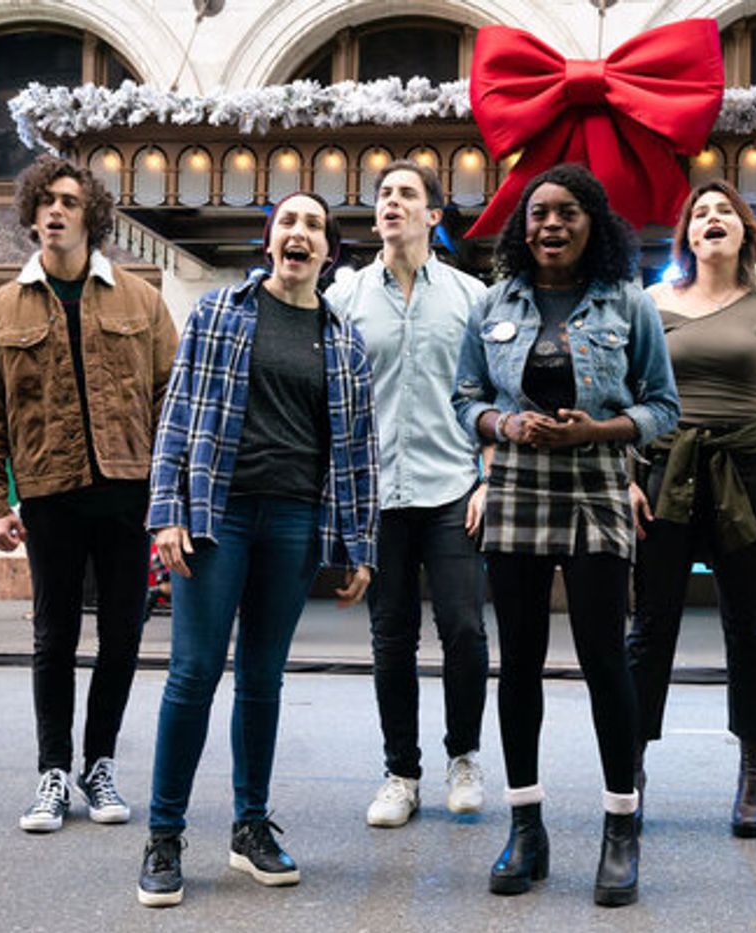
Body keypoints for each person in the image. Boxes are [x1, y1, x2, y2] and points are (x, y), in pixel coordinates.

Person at [137, 191, 378, 908]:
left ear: (328, 252)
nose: (299, 233)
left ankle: (250, 827)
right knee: (195, 671)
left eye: (313, 225)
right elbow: (175, 416)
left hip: (295, 522)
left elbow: (359, 450)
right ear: (269, 241)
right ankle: (165, 833)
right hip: (220, 515)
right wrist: (166, 514)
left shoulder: (344, 342)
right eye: (288, 222)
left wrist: (359, 545)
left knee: (264, 678)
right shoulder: (219, 314)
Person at [452, 163, 678, 907]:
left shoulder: (630, 303)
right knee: (517, 661)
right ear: (524, 228)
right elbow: (466, 397)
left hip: (597, 481)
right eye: (538, 213)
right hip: (517, 480)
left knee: (603, 660)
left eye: (567, 213)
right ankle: (526, 827)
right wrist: (502, 422)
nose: (550, 225)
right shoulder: (493, 303)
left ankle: (621, 825)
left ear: (594, 224)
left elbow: (661, 407)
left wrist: (602, 429)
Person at [0, 155, 178, 834]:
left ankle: (101, 762)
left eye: (69, 201)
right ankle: (52, 772)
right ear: (32, 216)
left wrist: (171, 498)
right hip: (50, 495)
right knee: (53, 637)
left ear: (93, 215)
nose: (55, 211)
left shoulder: (141, 299)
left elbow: (170, 400)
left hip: (127, 493)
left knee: (121, 636)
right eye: (45, 201)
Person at [627, 179, 756, 842]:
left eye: (725, 212)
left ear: (745, 231)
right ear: (685, 235)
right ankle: (626, 769)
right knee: (649, 626)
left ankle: (753, 772)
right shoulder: (649, 302)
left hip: (746, 473)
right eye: (700, 213)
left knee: (748, 626)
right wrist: (628, 477)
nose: (712, 219)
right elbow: (626, 398)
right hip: (665, 471)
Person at [325, 159, 491, 828]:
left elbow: (496, 391)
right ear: (377, 217)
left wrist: (491, 474)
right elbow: (331, 402)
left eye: (407, 194)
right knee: (390, 636)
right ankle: (401, 772)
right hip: (379, 495)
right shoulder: (344, 301)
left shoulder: (472, 297)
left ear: (433, 215)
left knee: (464, 627)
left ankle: (464, 758)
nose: (392, 203)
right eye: (384, 195)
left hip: (454, 487)